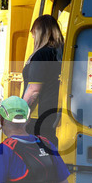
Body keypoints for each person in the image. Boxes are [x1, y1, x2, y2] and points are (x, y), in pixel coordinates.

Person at [21, 15, 65, 145]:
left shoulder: (41, 55)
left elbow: (34, 89)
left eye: (34, 34)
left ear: (41, 33)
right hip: (53, 114)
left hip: (37, 117)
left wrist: (19, 112)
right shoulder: (60, 54)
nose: (33, 37)